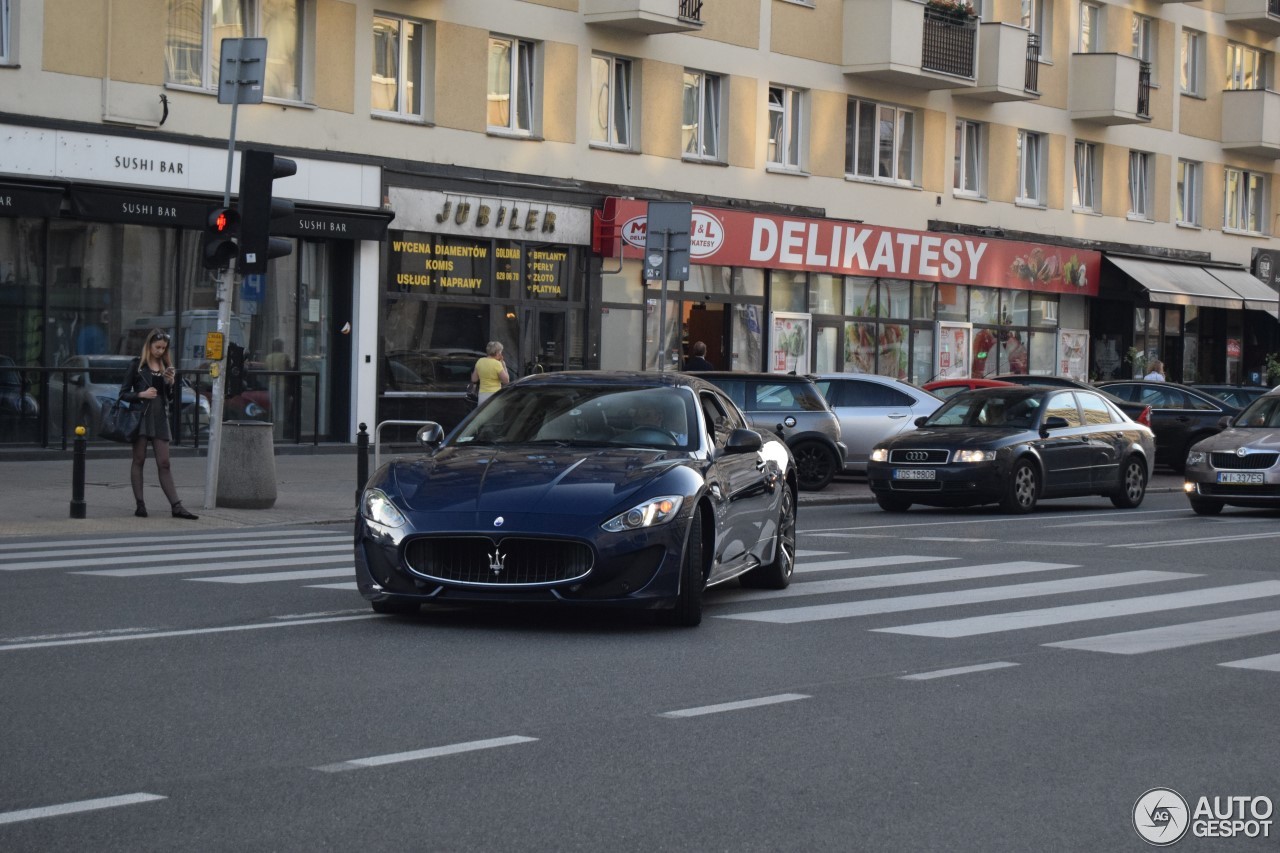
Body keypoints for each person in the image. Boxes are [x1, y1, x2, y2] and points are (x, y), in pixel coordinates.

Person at [120, 329, 198, 520]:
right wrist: (141, 394)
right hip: (141, 416)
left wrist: (170, 383)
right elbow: (123, 394)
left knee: (164, 463)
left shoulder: (165, 365)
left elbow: (169, 399)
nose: (160, 351)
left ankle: (176, 506)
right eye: (157, 347)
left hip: (159, 418)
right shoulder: (137, 365)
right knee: (139, 459)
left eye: (163, 348)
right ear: (149, 346)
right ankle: (140, 505)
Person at [263, 338, 291, 437]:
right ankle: (280, 427)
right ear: (281, 347)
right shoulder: (285, 357)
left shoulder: (268, 357)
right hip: (282, 384)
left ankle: (274, 425)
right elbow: (289, 370)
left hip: (272, 384)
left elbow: (266, 370)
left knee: (274, 406)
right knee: (281, 406)